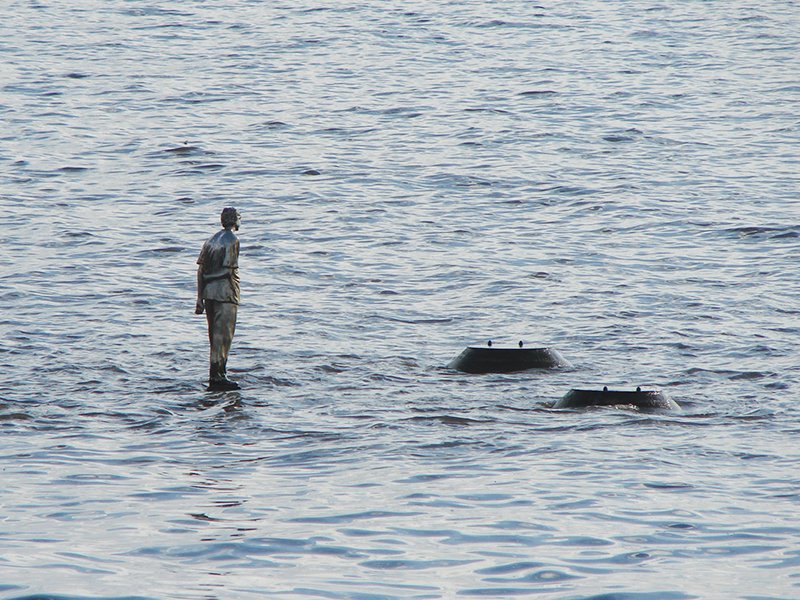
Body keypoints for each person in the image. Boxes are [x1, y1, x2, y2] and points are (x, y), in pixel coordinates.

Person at [196, 207, 241, 390]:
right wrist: (210, 279)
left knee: (214, 336)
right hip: (225, 293)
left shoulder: (210, 240)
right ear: (234, 219)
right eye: (239, 217)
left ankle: (216, 374)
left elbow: (200, 269)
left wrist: (200, 296)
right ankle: (218, 376)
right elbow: (228, 271)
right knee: (224, 336)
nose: (240, 220)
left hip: (209, 294)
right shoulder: (232, 240)